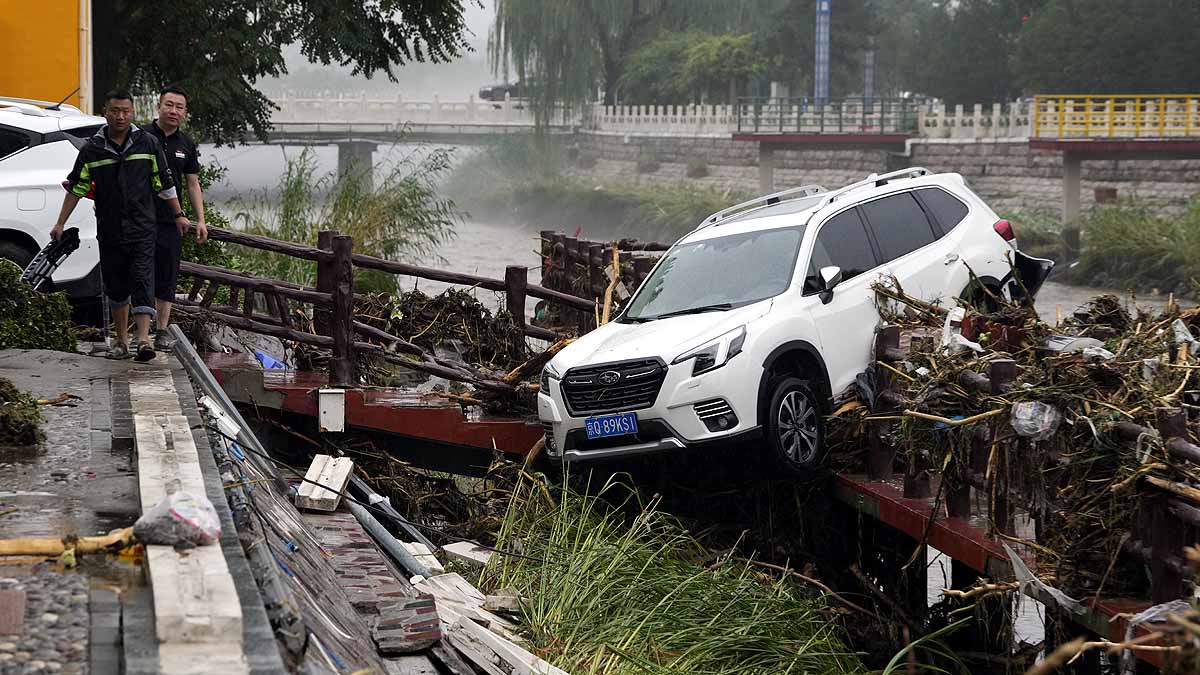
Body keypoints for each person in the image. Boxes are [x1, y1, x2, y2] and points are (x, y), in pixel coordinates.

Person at [51, 89, 188, 362]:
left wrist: (179, 214)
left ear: (132, 113)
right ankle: (122, 343)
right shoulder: (93, 149)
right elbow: (77, 187)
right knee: (116, 285)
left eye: (126, 111)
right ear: (106, 112)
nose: (121, 116)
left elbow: (164, 184)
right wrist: (60, 223)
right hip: (110, 228)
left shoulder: (147, 143)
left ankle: (144, 340)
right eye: (115, 111)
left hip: (143, 227)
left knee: (143, 279)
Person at [145, 84, 207, 350]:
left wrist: (200, 219)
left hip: (172, 220)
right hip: (140, 217)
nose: (173, 111)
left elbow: (192, 184)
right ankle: (141, 331)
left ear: (185, 112)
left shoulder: (186, 144)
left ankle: (161, 331)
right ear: (158, 107)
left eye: (179, 107)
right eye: (168, 105)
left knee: (167, 275)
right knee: (141, 272)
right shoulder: (141, 136)